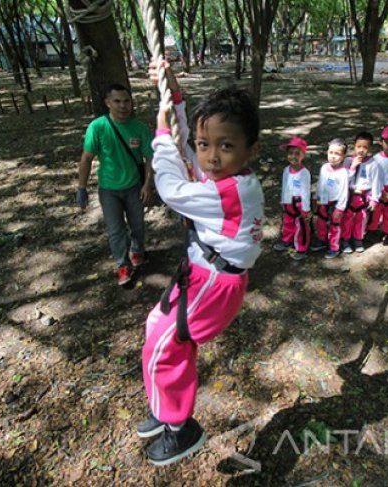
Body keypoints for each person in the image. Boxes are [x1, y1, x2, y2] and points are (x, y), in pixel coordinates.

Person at [138, 62, 264, 466]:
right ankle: (165, 405)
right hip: (202, 273)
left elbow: (171, 186)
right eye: (206, 144)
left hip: (215, 282)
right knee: (157, 330)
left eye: (225, 146)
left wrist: (159, 135)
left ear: (251, 151)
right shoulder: (223, 174)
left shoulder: (231, 191)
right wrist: (173, 95)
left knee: (164, 342)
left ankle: (181, 427)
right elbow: (186, 144)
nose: (209, 156)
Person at [75, 83, 154, 286]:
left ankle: (137, 250)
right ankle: (123, 265)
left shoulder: (140, 128)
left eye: (126, 101)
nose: (122, 106)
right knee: (115, 229)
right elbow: (86, 158)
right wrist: (81, 187)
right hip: (109, 189)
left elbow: (149, 160)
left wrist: (147, 185)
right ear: (107, 103)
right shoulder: (98, 127)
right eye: (117, 101)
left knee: (137, 224)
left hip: (134, 187)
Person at [341, 132, 383, 253]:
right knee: (347, 219)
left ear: (370, 148)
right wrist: (353, 167)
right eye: (359, 146)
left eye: (365, 147)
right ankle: (345, 240)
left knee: (361, 218)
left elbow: (376, 182)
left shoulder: (373, 164)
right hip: (349, 196)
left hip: (364, 197)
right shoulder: (348, 162)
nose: (361, 150)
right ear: (354, 146)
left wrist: (375, 199)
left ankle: (358, 239)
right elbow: (344, 180)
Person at [273, 136, 311, 261]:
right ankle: (287, 240)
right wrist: (284, 201)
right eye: (290, 153)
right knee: (288, 221)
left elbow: (305, 192)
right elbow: (285, 185)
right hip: (289, 201)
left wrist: (305, 209)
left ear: (303, 155)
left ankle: (301, 247)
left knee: (301, 225)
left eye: (297, 154)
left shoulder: (304, 173)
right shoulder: (286, 170)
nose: (293, 156)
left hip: (300, 203)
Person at [310, 138, 349, 259]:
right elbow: (320, 184)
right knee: (321, 221)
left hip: (335, 203)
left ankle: (334, 246)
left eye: (337, 154)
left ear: (343, 157)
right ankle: (322, 240)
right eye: (330, 153)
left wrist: (340, 208)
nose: (333, 156)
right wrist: (316, 198)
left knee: (334, 225)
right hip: (323, 200)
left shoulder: (343, 172)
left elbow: (344, 192)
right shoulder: (324, 167)